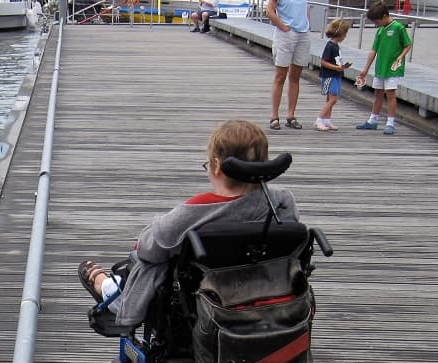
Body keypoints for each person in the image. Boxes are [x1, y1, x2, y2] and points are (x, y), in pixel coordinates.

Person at [78, 119, 299, 329]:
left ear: (216, 166)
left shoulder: (196, 210)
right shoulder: (281, 203)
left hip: (205, 301)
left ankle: (111, 291)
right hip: (268, 292)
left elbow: (149, 249)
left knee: (146, 260)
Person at [355, 1, 413, 135]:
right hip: (380, 67)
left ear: (385, 16)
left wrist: (401, 56)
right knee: (378, 94)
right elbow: (373, 50)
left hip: (392, 68)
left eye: (377, 21)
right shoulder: (380, 30)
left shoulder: (398, 27)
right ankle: (373, 120)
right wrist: (365, 69)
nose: (376, 24)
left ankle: (390, 123)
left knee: (391, 94)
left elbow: (408, 44)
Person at [265, 0, 310, 131]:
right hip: (285, 34)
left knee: (295, 76)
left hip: (303, 33)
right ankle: (274, 116)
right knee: (280, 77)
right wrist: (283, 27)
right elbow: (269, 11)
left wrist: (307, 26)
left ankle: (291, 116)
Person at [315, 18, 352, 131]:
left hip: (336, 75)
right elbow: (323, 62)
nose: (345, 37)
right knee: (333, 99)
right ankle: (319, 120)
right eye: (344, 34)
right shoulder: (330, 46)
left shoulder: (336, 46)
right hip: (330, 75)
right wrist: (337, 67)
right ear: (340, 33)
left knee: (330, 99)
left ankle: (327, 120)